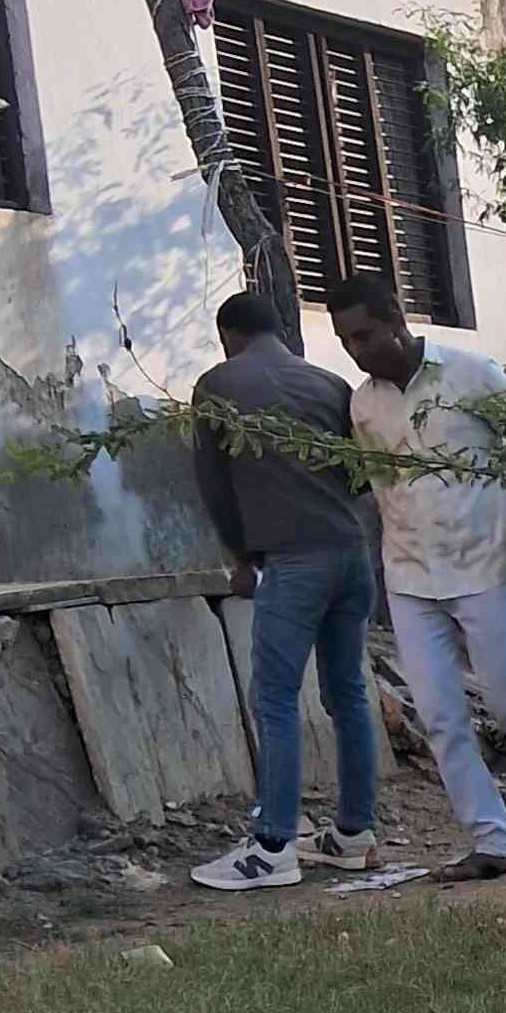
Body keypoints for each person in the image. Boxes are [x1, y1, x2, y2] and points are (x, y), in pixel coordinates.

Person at [330, 268, 506, 882]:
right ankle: (492, 840)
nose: (357, 352)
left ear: (395, 318)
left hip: (485, 566)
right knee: (441, 718)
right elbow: (381, 486)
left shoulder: (473, 374)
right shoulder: (363, 404)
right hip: (410, 576)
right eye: (345, 342)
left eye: (364, 336)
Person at [186, 289, 383, 892]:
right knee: (348, 693)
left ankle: (273, 846)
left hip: (294, 562)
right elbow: (358, 475)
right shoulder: (330, 385)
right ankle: (354, 834)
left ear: (229, 336)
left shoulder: (218, 385)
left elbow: (215, 487)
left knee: (274, 696)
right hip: (352, 554)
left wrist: (243, 558)